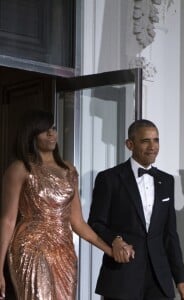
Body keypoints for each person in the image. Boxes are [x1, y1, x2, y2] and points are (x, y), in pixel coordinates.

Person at [0, 110, 113, 300]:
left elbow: (77, 222)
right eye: (45, 131)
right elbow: (8, 220)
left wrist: (108, 249)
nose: (52, 134)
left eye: (53, 128)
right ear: (31, 135)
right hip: (32, 247)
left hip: (64, 249)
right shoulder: (20, 168)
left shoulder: (69, 170)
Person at [88, 119, 184, 300]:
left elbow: (170, 234)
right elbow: (96, 223)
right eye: (145, 141)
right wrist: (115, 240)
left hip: (160, 280)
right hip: (122, 277)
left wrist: (180, 279)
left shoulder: (167, 181)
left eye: (156, 140)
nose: (153, 147)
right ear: (130, 144)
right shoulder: (109, 178)